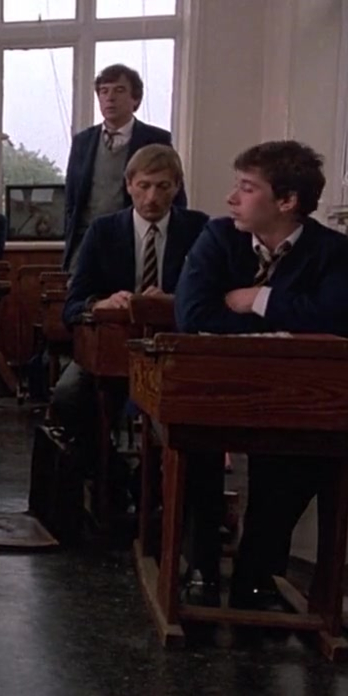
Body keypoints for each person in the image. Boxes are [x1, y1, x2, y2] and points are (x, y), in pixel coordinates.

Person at [175, 141, 348, 608]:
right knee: (193, 445)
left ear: (287, 201)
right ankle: (201, 566)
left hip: (295, 396)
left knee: (300, 453)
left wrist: (258, 299)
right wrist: (291, 325)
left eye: (248, 188)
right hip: (211, 389)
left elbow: (337, 318)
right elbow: (194, 315)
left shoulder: (333, 252)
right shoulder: (218, 237)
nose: (232, 198)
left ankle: (257, 573)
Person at [51, 144, 210, 562]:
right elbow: (72, 305)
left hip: (175, 357)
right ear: (128, 185)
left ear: (177, 187)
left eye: (163, 187)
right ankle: (115, 477)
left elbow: (215, 299)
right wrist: (100, 304)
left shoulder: (200, 230)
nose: (152, 197)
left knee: (190, 416)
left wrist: (175, 302)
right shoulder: (103, 231)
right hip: (109, 352)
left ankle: (162, 491)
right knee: (68, 397)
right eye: (144, 186)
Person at [61, 64, 187, 271]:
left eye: (119, 90)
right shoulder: (83, 141)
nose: (110, 98)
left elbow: (175, 193)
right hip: (87, 240)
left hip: (135, 239)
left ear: (135, 99)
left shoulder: (155, 138)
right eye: (104, 91)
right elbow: (71, 198)